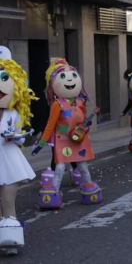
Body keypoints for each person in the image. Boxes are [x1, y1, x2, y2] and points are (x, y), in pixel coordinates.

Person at [32, 58, 102, 208]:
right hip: (62, 140)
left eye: (73, 76)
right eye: (63, 76)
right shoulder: (57, 105)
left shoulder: (80, 102)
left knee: (83, 166)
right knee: (60, 167)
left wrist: (86, 126)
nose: (70, 79)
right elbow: (50, 125)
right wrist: (42, 142)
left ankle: (89, 187)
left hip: (79, 139)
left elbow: (82, 120)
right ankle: (55, 191)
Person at [0, 46, 37, 256]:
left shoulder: (13, 113)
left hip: (9, 160)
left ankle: (11, 239)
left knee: (8, 201)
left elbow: (21, 135)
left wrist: (17, 136)